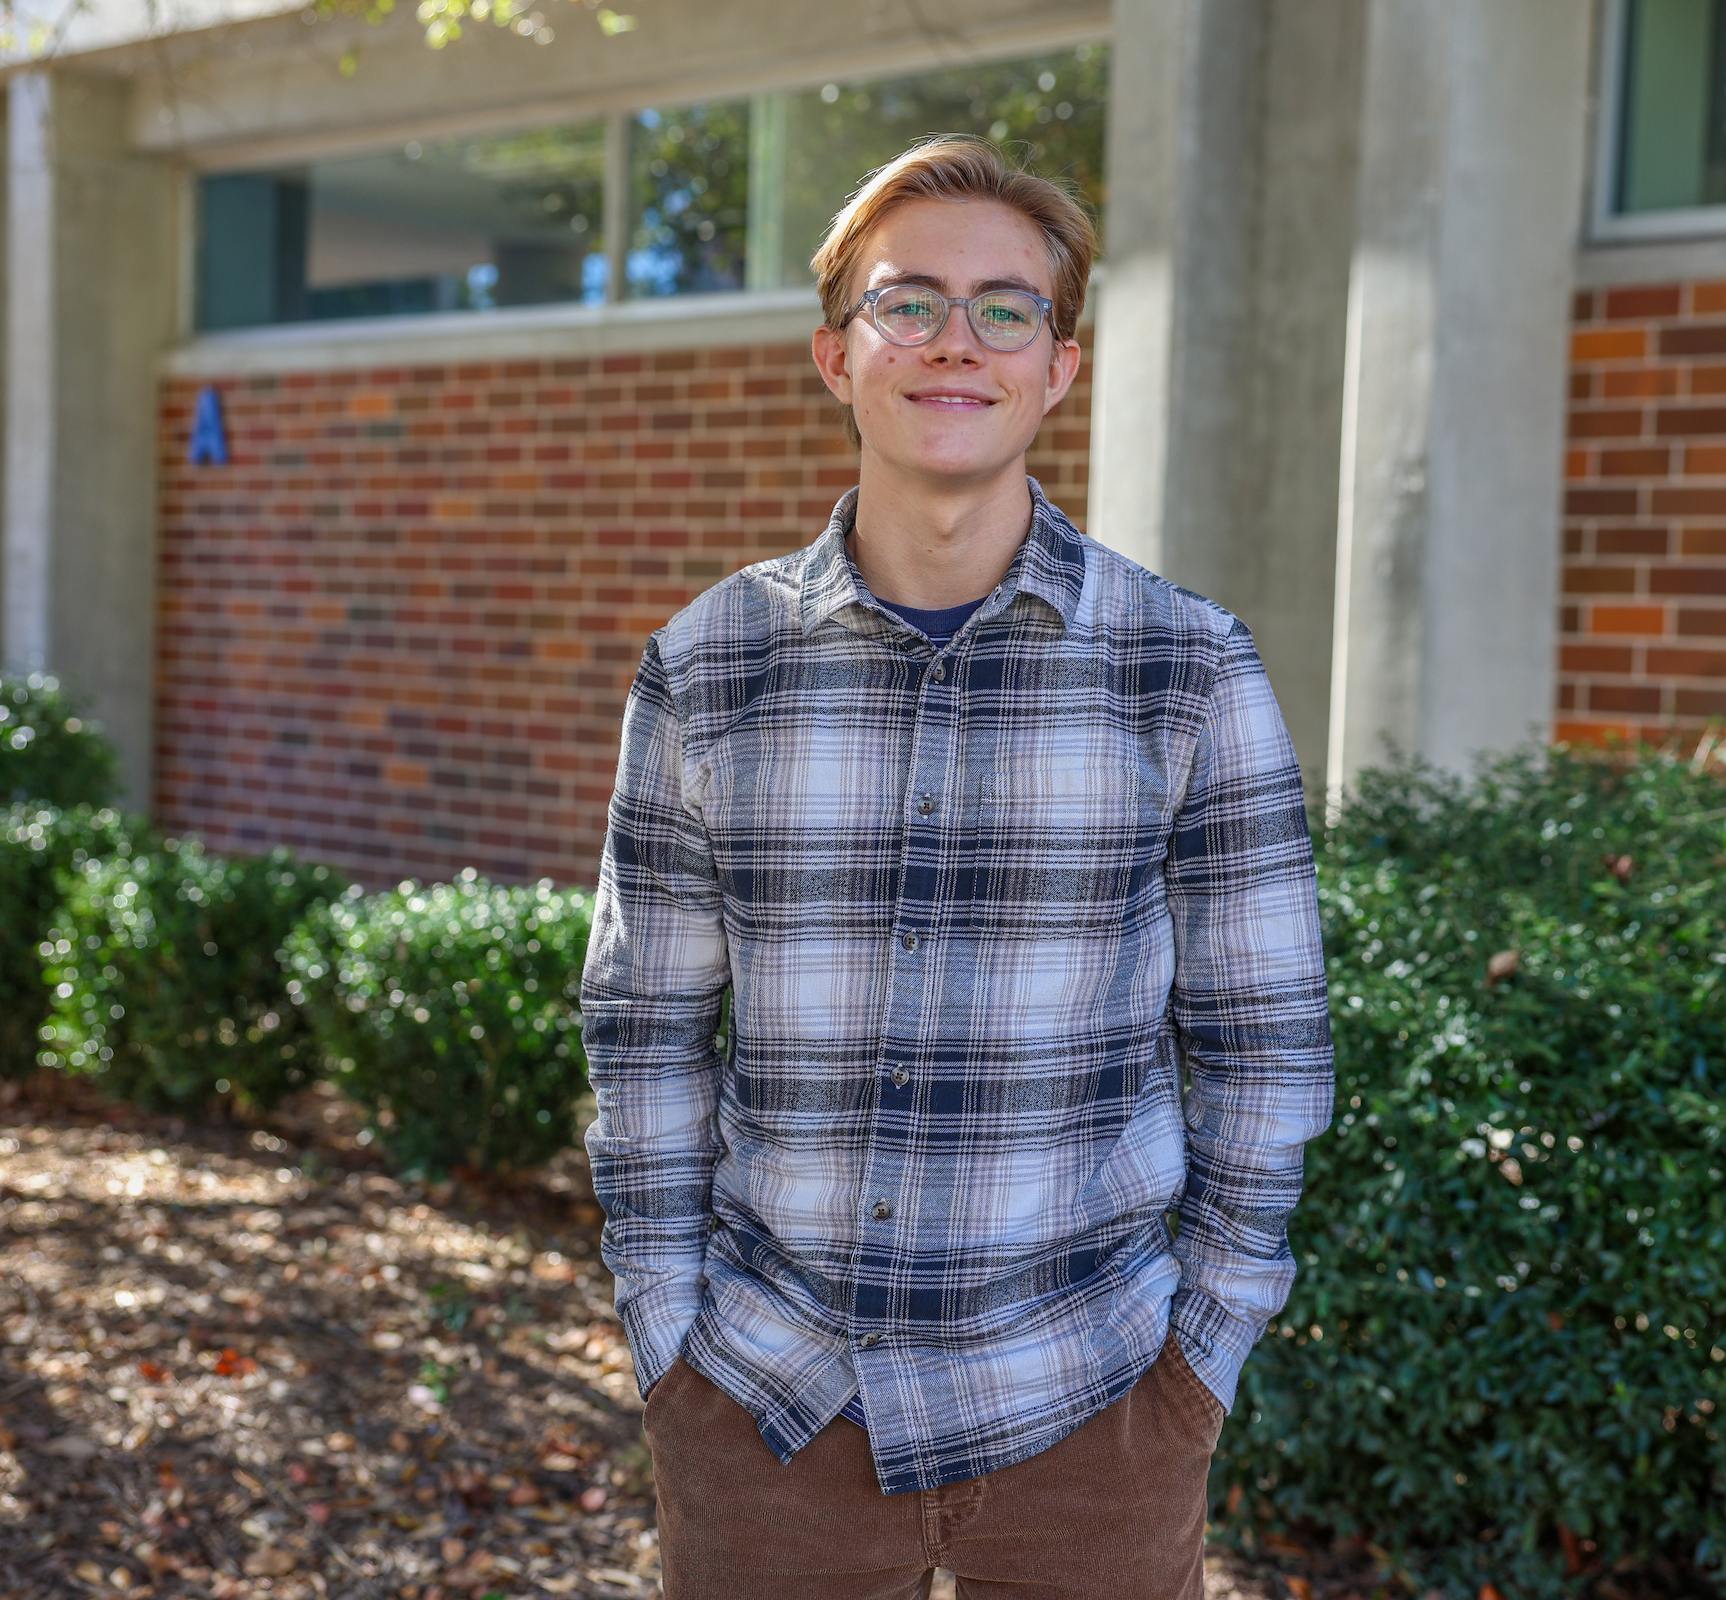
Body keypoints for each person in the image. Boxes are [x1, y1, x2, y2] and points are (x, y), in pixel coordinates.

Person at [581, 134, 1333, 1600]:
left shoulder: (1185, 669)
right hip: (766, 1403)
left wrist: (1201, 1360)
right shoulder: (709, 668)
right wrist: (667, 1340)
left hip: (1096, 1407)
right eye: (906, 301)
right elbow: (644, 1026)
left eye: (1005, 309)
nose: (953, 343)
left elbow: (1264, 1041)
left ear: (1060, 368)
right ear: (835, 351)